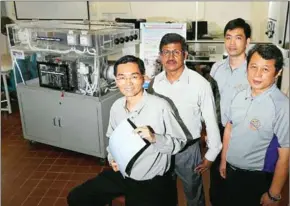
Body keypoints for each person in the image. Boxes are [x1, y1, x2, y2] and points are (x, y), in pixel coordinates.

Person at [67, 55, 187, 206]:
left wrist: (155, 138)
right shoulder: (117, 106)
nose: (128, 83)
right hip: (123, 174)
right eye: (122, 77)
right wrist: (112, 158)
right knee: (77, 197)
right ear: (116, 81)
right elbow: (111, 137)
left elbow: (180, 142)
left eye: (134, 76)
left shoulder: (160, 106)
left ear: (143, 78)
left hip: (150, 179)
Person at [149, 33, 222, 206]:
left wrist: (212, 154)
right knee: (164, 193)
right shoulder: (155, 83)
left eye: (176, 52)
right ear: (160, 56)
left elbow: (211, 121)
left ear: (185, 55)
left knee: (194, 194)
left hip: (188, 151)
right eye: (166, 52)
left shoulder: (200, 84)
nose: (171, 57)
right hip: (162, 149)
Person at [219, 44, 289, 206]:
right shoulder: (239, 96)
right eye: (253, 67)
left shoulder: (282, 106)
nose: (257, 74)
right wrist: (224, 159)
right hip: (231, 170)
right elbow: (229, 128)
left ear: (277, 73)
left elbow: (285, 156)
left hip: (257, 178)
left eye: (265, 69)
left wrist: (273, 194)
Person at [209, 18, 251, 206]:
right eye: (228, 37)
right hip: (218, 131)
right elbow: (210, 101)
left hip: (242, 133)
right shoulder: (217, 68)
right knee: (216, 183)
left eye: (238, 38)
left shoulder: (253, 71)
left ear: (247, 41)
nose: (232, 43)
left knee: (238, 184)